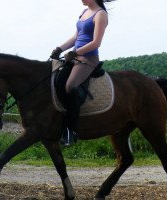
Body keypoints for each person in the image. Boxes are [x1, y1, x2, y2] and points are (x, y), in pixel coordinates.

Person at [50, 0, 115, 145]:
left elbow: (96, 42)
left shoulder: (101, 14)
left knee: (70, 86)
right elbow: (75, 37)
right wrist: (60, 49)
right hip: (75, 57)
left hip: (88, 58)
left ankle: (72, 131)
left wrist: (75, 52)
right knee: (58, 81)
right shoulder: (85, 12)